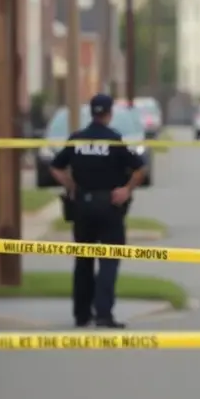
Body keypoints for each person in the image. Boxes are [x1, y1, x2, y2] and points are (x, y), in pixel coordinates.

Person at [49, 94, 147, 329]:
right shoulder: (114, 140)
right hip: (109, 206)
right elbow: (140, 168)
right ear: (109, 113)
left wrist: (70, 186)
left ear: (91, 113)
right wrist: (126, 189)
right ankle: (103, 314)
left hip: (82, 206)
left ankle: (81, 315)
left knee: (83, 260)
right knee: (109, 261)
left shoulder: (76, 139)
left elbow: (55, 166)